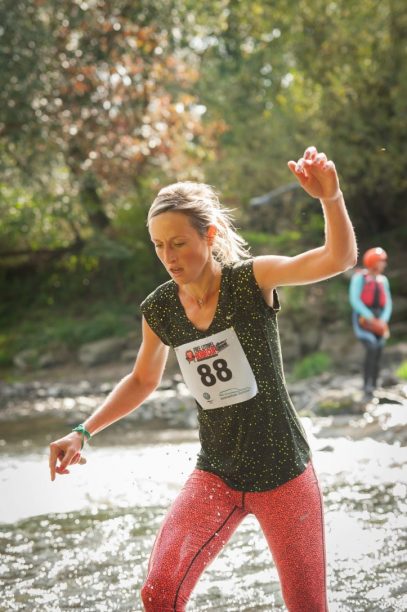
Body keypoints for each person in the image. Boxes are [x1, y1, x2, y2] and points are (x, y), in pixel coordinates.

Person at [49, 146, 357, 611]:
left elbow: (339, 258)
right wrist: (82, 431)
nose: (168, 256)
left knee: (308, 607)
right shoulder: (160, 308)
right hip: (216, 474)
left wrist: (330, 199)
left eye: (178, 243)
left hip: (284, 474)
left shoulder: (251, 280)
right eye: (158, 245)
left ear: (208, 236)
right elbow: (141, 379)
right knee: (159, 592)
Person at [349, 247, 392, 398]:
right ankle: (366, 386)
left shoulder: (383, 280)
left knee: (379, 349)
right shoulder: (359, 278)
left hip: (379, 320)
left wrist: (382, 321)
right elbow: (355, 300)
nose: (384, 264)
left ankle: (374, 385)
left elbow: (388, 303)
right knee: (371, 347)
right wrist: (370, 318)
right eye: (382, 261)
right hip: (363, 320)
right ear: (373, 262)